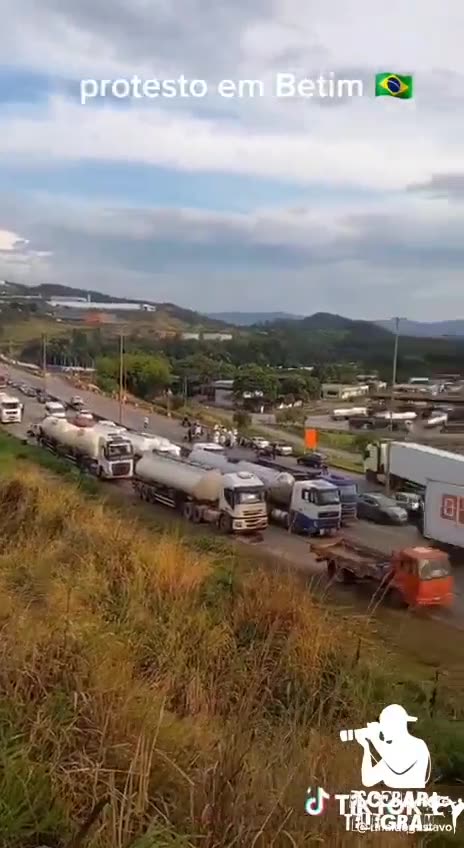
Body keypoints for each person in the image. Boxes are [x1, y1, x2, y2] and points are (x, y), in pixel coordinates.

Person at [355, 704, 430, 789]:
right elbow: (368, 780)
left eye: (384, 725)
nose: (382, 730)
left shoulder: (418, 745)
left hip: (415, 796)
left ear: (397, 725)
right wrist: (366, 748)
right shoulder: (391, 753)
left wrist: (374, 738)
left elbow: (398, 767)